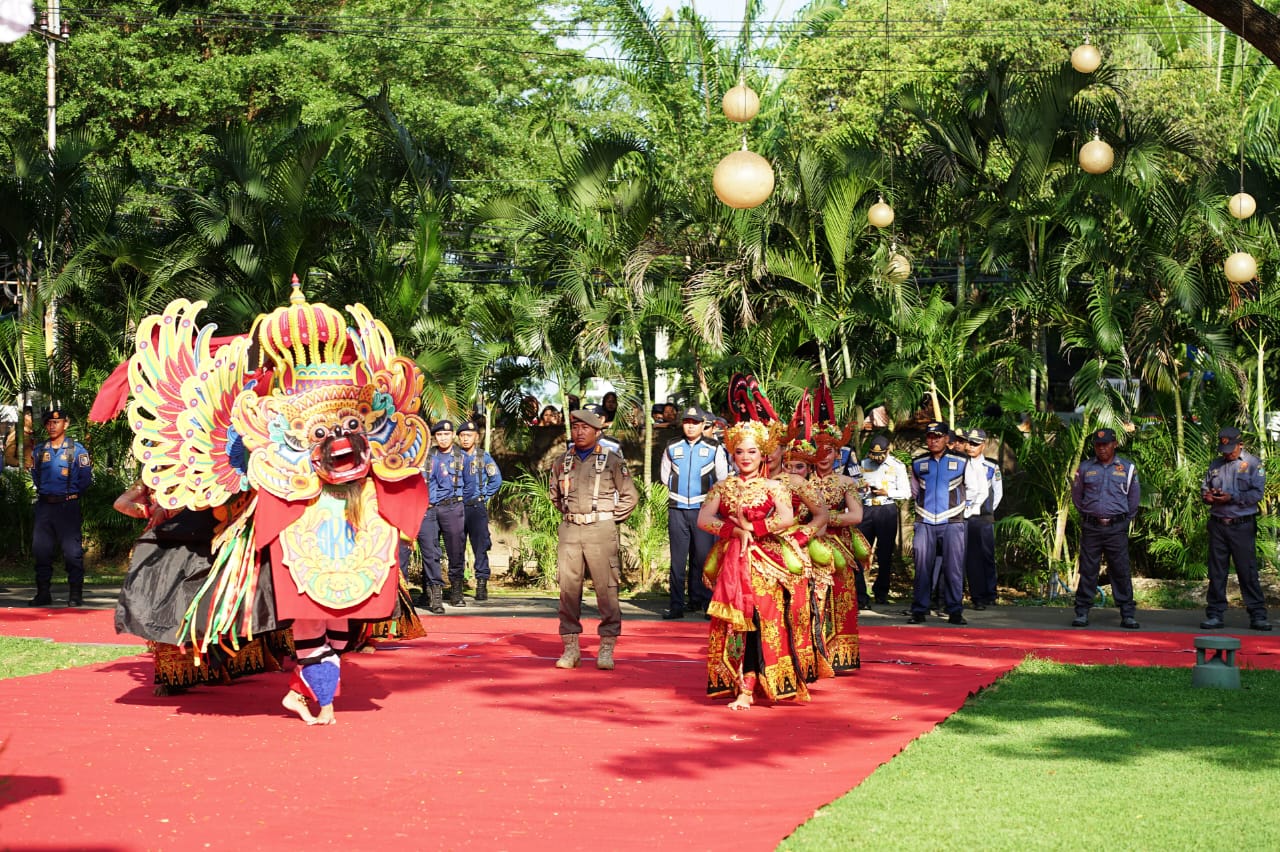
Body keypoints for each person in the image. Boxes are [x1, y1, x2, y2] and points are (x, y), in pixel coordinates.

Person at [698, 420, 816, 709]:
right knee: (737, 624)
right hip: (733, 560)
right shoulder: (722, 487)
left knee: (765, 623)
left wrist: (754, 527)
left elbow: (786, 518)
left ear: (763, 454)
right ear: (732, 455)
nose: (746, 457)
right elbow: (704, 519)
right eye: (739, 451)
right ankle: (742, 686)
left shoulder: (775, 487)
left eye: (752, 451)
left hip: (767, 561)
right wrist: (734, 531)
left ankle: (763, 682)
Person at [550, 408, 639, 670]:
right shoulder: (562, 461)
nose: (579, 432)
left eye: (585, 428)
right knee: (568, 589)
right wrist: (574, 516)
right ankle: (571, 649)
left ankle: (606, 647)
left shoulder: (612, 460)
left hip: (600, 530)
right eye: (576, 427)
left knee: (606, 589)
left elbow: (630, 496)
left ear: (597, 432)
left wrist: (607, 518)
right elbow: (555, 496)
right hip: (570, 529)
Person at [908, 421, 983, 625]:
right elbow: (914, 491)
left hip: (953, 521)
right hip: (924, 521)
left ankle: (955, 611)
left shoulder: (962, 461)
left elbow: (973, 489)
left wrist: (963, 511)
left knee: (953, 568)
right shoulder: (918, 462)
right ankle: (919, 610)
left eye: (938, 437)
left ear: (946, 439)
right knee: (922, 567)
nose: (933, 441)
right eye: (930, 437)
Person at [660, 405, 729, 619]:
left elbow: (722, 478)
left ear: (703, 425)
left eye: (695, 423)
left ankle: (707, 604)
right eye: (687, 422)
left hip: (703, 511)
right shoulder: (672, 445)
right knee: (678, 561)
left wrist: (711, 504)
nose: (690, 426)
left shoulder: (714, 447)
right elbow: (665, 476)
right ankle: (676, 606)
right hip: (677, 509)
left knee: (704, 558)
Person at [1199, 427, 1271, 631]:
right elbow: (1205, 488)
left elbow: (1257, 494)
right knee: (1216, 572)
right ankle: (1215, 614)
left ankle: (1257, 615)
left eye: (1230, 449)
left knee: (1247, 571)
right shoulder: (1216, 464)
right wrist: (1208, 496)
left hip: (1242, 525)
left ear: (1241, 445)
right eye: (1224, 450)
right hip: (1218, 525)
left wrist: (1232, 497)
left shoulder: (1254, 464)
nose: (1227, 453)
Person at [1070, 428, 1141, 629]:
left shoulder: (1127, 468)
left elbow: (1134, 499)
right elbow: (1077, 496)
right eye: (1098, 445)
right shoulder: (1085, 468)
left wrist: (1123, 521)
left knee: (1120, 570)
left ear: (1114, 444)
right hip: (1091, 527)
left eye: (1105, 445)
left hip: (1116, 528)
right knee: (1088, 569)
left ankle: (1127, 614)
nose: (1101, 448)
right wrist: (1089, 516)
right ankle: (1082, 612)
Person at [808, 425, 866, 665]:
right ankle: (811, 651)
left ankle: (839, 654)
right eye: (818, 450)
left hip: (839, 544)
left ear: (838, 454)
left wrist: (824, 518)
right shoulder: (802, 481)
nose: (823, 456)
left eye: (829, 451)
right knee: (812, 596)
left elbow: (856, 515)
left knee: (840, 596)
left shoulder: (846, 482)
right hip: (809, 543)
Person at [400, 420, 468, 612]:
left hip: (427, 513)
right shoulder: (399, 463)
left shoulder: (434, 462)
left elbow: (445, 486)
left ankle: (436, 597)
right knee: (401, 553)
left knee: (431, 553)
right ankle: (402, 597)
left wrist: (429, 501)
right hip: (406, 515)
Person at [29, 408, 93, 607]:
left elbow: (85, 480)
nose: (52, 426)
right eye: (49, 423)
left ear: (66, 424)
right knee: (41, 551)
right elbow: (36, 476)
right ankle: (43, 593)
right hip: (44, 507)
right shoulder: (39, 451)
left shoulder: (77, 450)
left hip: (67, 506)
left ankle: (75, 594)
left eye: (56, 422)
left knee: (72, 552)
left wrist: (69, 494)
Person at [854, 434, 910, 606]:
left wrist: (888, 493)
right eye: (874, 454)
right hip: (867, 508)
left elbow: (906, 492)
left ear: (888, 451)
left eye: (880, 455)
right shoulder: (863, 464)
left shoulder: (897, 466)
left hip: (886, 509)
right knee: (860, 552)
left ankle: (881, 592)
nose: (877, 458)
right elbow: (854, 488)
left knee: (885, 553)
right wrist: (863, 489)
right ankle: (860, 595)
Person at [458, 419, 502, 602]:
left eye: (469, 435)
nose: (465, 439)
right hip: (457, 508)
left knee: (480, 547)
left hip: (476, 508)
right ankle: (457, 586)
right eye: (462, 435)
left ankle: (482, 584)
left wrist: (484, 495)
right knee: (456, 548)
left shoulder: (484, 457)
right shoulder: (454, 456)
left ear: (476, 437)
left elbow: (496, 480)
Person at [962, 428, 1002, 609]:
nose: (971, 447)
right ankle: (976, 595)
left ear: (983, 446)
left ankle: (990, 593)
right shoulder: (961, 464)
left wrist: (986, 510)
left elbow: (998, 493)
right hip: (965, 516)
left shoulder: (992, 466)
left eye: (975, 444)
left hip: (984, 518)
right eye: (969, 443)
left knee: (987, 555)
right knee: (971, 558)